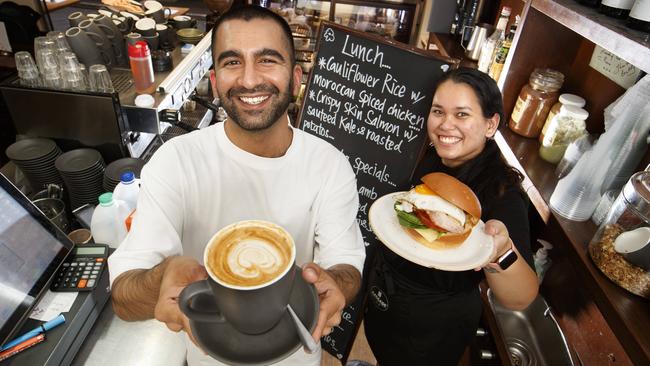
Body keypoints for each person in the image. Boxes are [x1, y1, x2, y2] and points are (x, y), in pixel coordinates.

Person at [107, 5, 366, 366]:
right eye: (231, 62)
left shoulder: (329, 165)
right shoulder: (175, 162)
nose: (247, 80)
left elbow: (347, 265)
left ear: (295, 78)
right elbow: (123, 297)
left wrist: (335, 282)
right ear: (215, 82)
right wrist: (161, 277)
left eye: (267, 60)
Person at [364, 67, 539, 365]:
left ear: (490, 124)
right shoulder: (428, 155)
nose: (446, 124)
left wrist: (501, 252)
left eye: (461, 114)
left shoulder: (502, 192)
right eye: (438, 111)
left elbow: (521, 297)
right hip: (386, 294)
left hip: (431, 324)